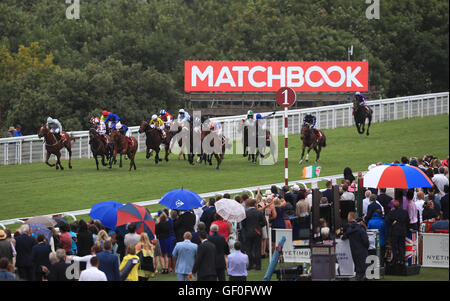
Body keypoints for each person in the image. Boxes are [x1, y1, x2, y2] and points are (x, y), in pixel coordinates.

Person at [341, 212, 369, 281]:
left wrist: (342, 236)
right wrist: (366, 246)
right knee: (363, 265)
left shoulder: (348, 228)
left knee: (357, 265)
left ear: (351, 217)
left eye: (348, 216)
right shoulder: (360, 228)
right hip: (362, 249)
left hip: (354, 249)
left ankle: (359, 276)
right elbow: (365, 240)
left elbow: (344, 236)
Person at [241, 199, 267, 271]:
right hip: (257, 232)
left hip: (248, 233)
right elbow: (264, 223)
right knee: (257, 249)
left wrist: (248, 228)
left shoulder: (245, 213)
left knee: (248, 249)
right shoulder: (258, 212)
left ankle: (250, 265)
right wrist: (258, 226)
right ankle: (258, 266)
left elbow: (243, 224)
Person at [385, 199, 409, 266]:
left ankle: (395, 259)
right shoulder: (405, 212)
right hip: (402, 231)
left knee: (394, 246)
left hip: (394, 232)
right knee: (401, 246)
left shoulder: (392, 213)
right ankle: (401, 260)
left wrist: (392, 223)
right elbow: (408, 221)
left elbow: (387, 220)